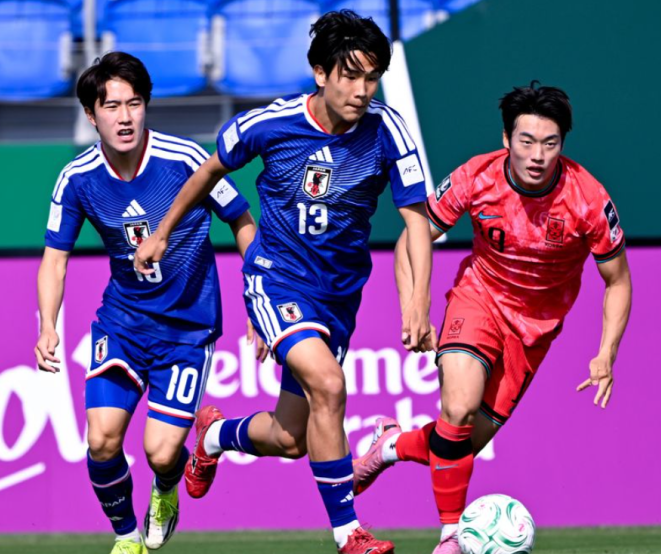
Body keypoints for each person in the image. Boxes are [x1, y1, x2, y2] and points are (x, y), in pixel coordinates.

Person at [133, 10, 433, 554]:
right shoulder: (271, 124)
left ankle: (213, 436)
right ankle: (349, 534)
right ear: (320, 73)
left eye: (372, 78)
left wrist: (417, 302)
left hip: (338, 295)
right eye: (351, 76)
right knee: (330, 385)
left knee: (292, 437)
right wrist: (160, 234)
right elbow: (208, 172)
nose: (362, 91)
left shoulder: (387, 130)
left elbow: (417, 221)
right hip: (278, 279)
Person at [352, 82, 633, 554]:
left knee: (459, 443)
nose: (537, 155)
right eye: (527, 141)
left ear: (563, 144)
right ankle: (451, 537)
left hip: (535, 330)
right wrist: (414, 306)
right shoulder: (475, 177)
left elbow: (618, 281)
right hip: (478, 299)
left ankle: (390, 445)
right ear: (506, 139)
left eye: (550, 143)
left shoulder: (587, 199)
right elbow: (411, 239)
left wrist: (606, 354)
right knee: (458, 408)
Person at [34, 52, 255, 554]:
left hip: (187, 332)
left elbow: (242, 222)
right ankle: (126, 537)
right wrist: (48, 324)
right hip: (123, 325)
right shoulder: (78, 178)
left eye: (134, 103)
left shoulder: (186, 159)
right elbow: (54, 260)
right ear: (91, 115)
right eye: (112, 106)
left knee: (160, 453)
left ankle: (167, 486)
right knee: (101, 440)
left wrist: (257, 296)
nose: (125, 116)